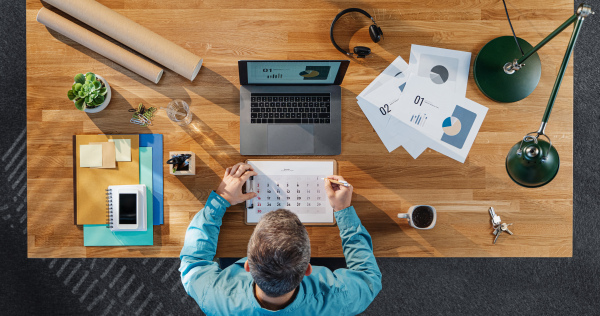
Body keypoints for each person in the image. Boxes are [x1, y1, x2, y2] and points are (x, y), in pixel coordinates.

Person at [180, 162, 382, 315]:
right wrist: (344, 210)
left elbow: (193, 262)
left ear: (248, 266)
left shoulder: (214, 297)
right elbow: (369, 277)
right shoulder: (340, 299)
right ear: (308, 269)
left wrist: (222, 197)